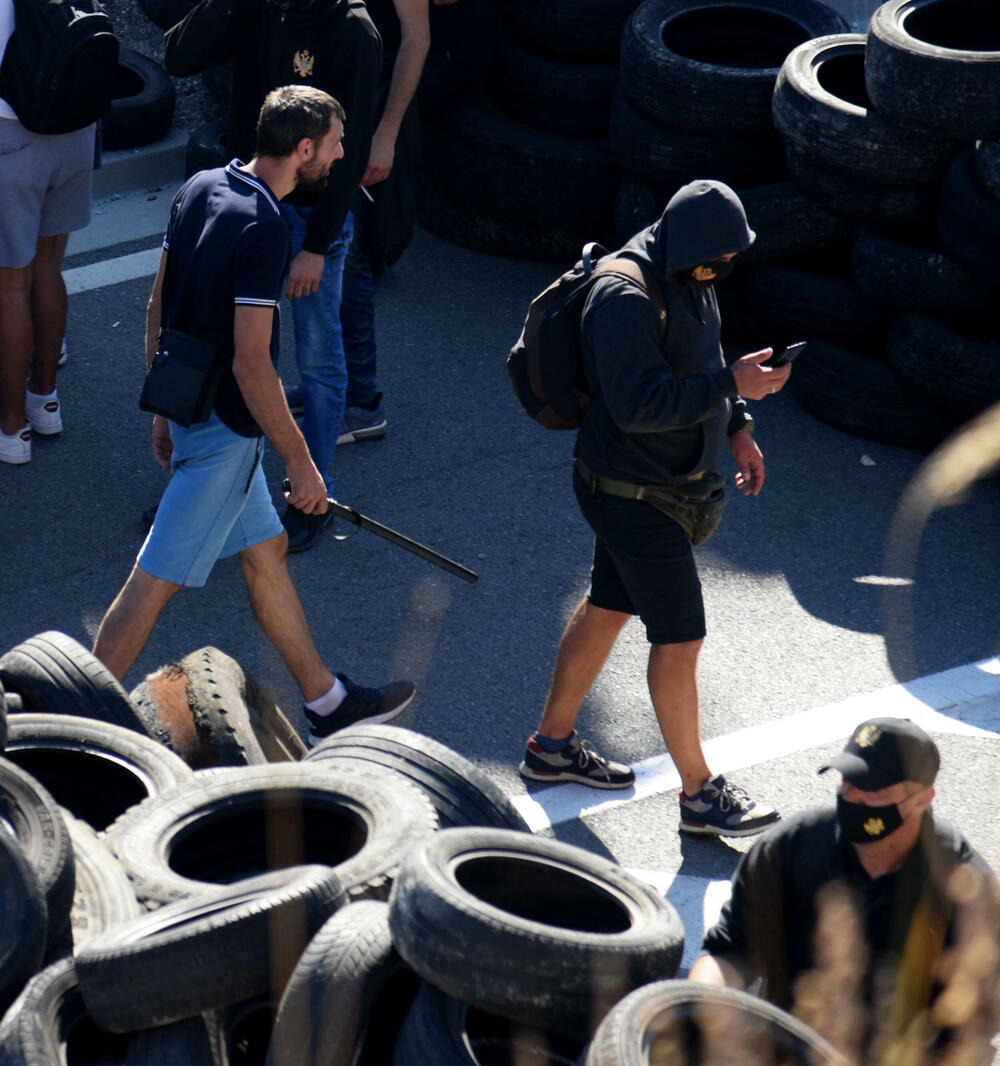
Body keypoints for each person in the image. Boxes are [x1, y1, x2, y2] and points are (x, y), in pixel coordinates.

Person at [91, 86, 415, 744]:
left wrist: (164, 408)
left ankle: (325, 701)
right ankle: (67, 719)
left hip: (190, 409)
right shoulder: (267, 228)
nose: (342, 155)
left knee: (265, 551)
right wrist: (302, 463)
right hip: (227, 437)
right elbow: (252, 364)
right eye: (334, 146)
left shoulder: (202, 185)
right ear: (302, 150)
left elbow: (161, 305)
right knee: (150, 583)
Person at [518, 179, 791, 838]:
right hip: (634, 494)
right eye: (720, 260)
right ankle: (698, 794)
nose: (726, 271)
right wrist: (730, 385)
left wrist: (737, 423)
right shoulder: (623, 298)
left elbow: (702, 356)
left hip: (649, 486)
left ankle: (549, 749)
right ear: (695, 248)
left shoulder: (688, 271)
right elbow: (639, 406)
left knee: (610, 603)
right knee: (680, 636)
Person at [164, 0, 381, 552]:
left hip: (311, 220)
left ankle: (313, 494)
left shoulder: (354, 31)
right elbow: (179, 55)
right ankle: (205, 486)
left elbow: (347, 156)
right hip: (248, 201)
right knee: (220, 336)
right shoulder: (265, 9)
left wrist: (315, 246)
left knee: (316, 356)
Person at [690, 717, 1000, 1064]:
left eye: (872, 790)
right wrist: (698, 1012)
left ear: (921, 799)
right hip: (787, 1050)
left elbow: (976, 1026)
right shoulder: (793, 847)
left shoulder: (965, 891)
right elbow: (731, 949)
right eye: (847, 782)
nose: (852, 798)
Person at [0, 0, 92, 464]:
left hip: (11, 137)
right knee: (48, 267)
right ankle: (45, 399)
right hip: (74, 133)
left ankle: (12, 427)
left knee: (11, 283)